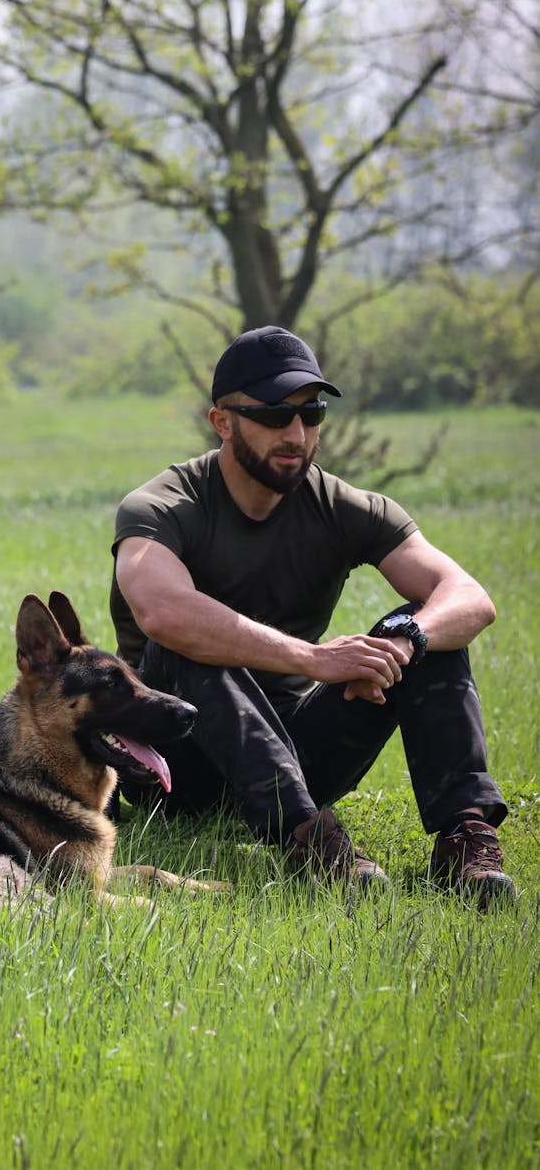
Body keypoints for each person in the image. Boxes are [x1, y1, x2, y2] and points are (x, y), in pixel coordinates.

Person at [110, 326, 514, 899]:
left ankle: (464, 839)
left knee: (424, 626)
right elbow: (163, 612)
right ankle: (310, 841)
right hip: (178, 763)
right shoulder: (164, 504)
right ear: (222, 422)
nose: (296, 433)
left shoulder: (342, 505)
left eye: (312, 412)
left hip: (296, 752)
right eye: (274, 416)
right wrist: (314, 658)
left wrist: (405, 641)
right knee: (183, 640)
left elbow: (469, 595)